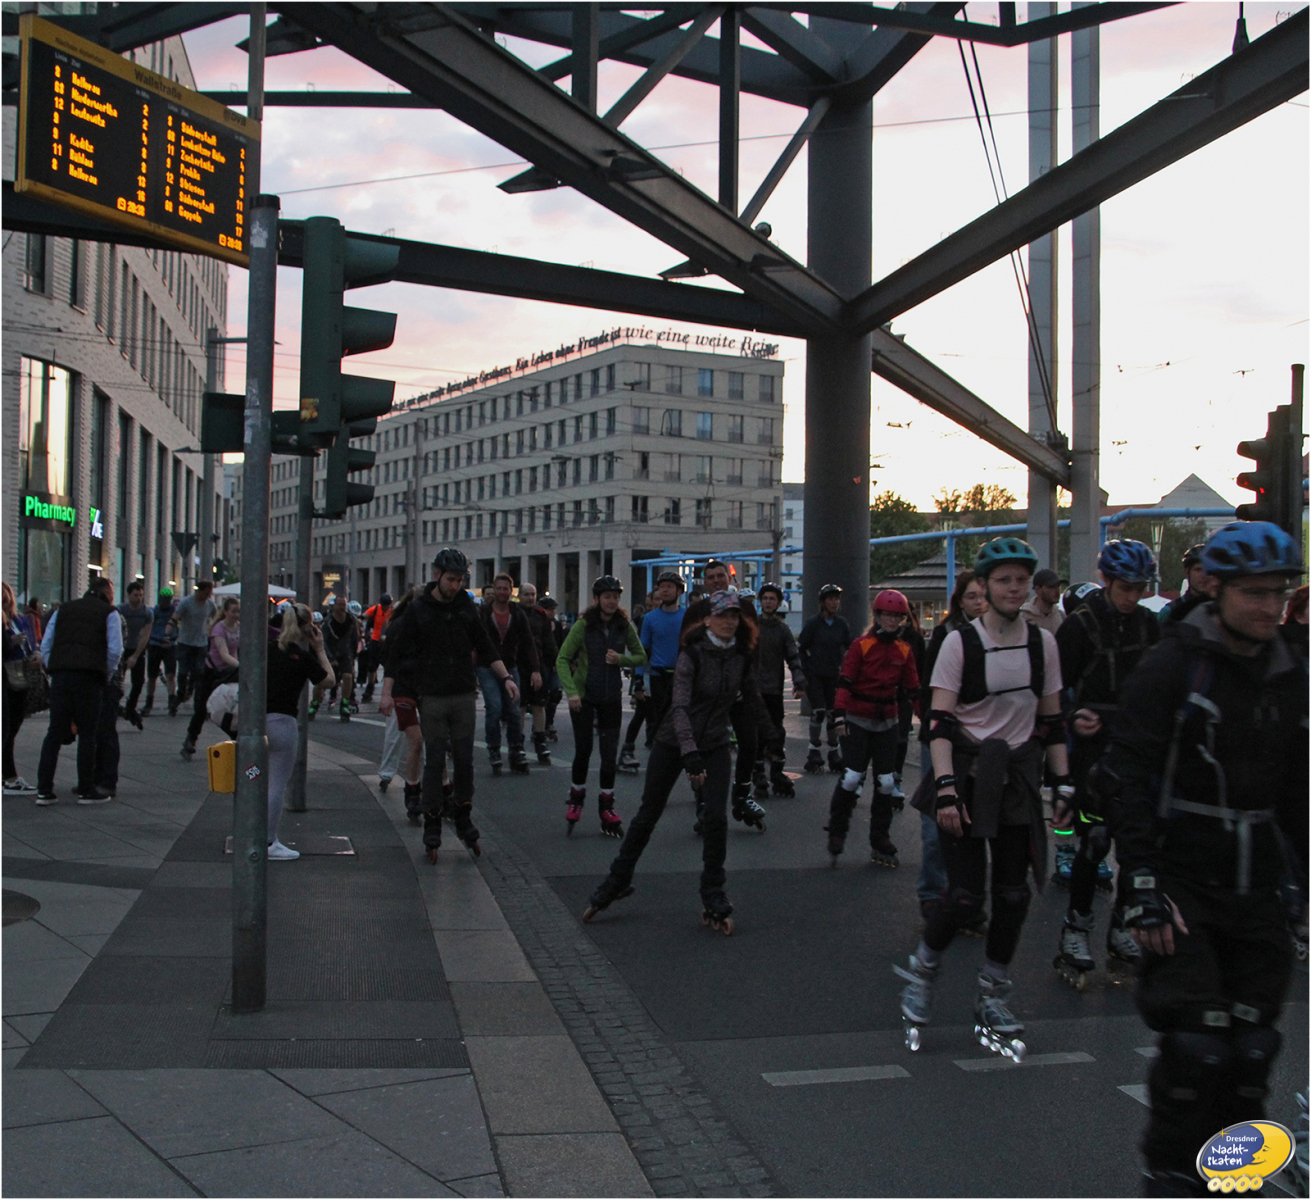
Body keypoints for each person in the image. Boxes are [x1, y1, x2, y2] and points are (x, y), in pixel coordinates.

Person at [1099, 521, 1307, 1197]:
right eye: (1255, 593)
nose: (1269, 607)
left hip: (1257, 885)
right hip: (1182, 879)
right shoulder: (1176, 663)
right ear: (1217, 590)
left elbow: (1297, 788)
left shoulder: (1290, 670)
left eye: (1279, 593)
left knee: (1251, 1052)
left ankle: (1232, 1178)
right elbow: (1125, 772)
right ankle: (1169, 1176)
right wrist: (1141, 882)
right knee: (1197, 1049)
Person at [895, 537, 1070, 1057]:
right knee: (966, 896)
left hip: (1016, 776)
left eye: (1021, 581)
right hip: (968, 774)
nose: (1014, 589)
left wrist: (1064, 782)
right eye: (1003, 581)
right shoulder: (959, 644)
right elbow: (938, 724)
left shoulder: (1043, 644)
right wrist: (946, 789)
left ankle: (993, 991)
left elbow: (1052, 722)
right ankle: (923, 971)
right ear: (985, 587)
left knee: (1013, 895)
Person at [582, 590, 768, 934]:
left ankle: (713, 893)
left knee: (716, 818)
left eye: (734, 616)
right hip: (673, 741)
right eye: (722, 616)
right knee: (648, 814)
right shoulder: (692, 654)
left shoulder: (740, 656)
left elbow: (750, 697)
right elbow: (679, 707)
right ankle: (617, 880)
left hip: (714, 742)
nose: (729, 622)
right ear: (708, 620)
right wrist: (689, 752)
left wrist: (769, 733)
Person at [1051, 539, 1161, 988]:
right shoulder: (1080, 626)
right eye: (1126, 588)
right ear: (1107, 581)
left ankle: (1121, 927)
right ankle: (1075, 929)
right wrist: (1073, 717)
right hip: (1094, 749)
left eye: (1139, 588)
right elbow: (1053, 689)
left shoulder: (1150, 625)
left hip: (1138, 744)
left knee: (1137, 842)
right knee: (1094, 841)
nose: (1133, 597)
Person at [380, 548, 519, 863]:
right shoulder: (418, 610)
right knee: (434, 759)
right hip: (432, 696)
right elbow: (395, 653)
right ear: (436, 575)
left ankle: (463, 816)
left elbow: (485, 645)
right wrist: (387, 693)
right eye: (451, 580)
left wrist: (507, 678)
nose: (456, 586)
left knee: (465, 760)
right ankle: (432, 822)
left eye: (460, 580)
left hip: (463, 694)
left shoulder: (466, 607)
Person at [826, 590, 920, 867]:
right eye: (887, 615)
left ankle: (880, 838)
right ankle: (837, 829)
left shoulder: (904, 650)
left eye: (897, 616)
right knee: (852, 777)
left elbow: (914, 688)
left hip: (887, 721)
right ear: (877, 616)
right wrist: (839, 716)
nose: (892, 620)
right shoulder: (862, 645)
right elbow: (845, 681)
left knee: (887, 782)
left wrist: (928, 720)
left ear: (903, 619)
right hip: (857, 719)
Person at [916, 573, 989, 922]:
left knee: (974, 826)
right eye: (971, 597)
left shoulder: (998, 635)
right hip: (943, 737)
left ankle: (965, 895)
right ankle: (932, 892)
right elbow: (929, 689)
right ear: (960, 601)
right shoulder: (947, 635)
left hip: (980, 743)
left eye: (983, 596)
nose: (979, 603)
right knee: (937, 823)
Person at [557, 575, 647, 837]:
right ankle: (576, 798)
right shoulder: (583, 626)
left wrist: (621, 660)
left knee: (609, 756)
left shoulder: (623, 625)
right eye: (607, 597)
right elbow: (562, 659)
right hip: (584, 696)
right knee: (584, 749)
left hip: (610, 697)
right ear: (596, 599)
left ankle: (607, 806)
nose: (611, 601)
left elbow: (641, 656)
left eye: (615, 597)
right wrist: (572, 693)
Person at [35, 578, 123, 805]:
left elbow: (46, 644)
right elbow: (115, 650)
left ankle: (44, 790)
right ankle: (86, 789)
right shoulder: (109, 613)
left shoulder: (62, 609)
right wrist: (105, 675)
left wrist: (53, 669)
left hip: (61, 676)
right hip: (89, 677)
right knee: (87, 733)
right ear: (106, 594)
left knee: (54, 732)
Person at [265, 603, 335, 859]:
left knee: (253, 777)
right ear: (306, 629)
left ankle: (248, 832)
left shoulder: (265, 649)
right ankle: (268, 841)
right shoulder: (301, 657)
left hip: (254, 726)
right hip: (283, 727)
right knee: (277, 784)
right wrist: (320, 648)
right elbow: (329, 680)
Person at [477, 574, 541, 775]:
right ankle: (494, 749)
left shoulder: (517, 613)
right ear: (494, 590)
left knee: (514, 709)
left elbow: (528, 642)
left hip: (510, 666)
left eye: (506, 589)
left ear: (510, 591)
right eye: (499, 588)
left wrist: (535, 670)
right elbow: (474, 641)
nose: (502, 592)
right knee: (494, 708)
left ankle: (516, 749)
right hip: (487, 667)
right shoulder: (484, 612)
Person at [376, 589, 426, 816]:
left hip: (420, 686)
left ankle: (396, 776)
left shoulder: (426, 624)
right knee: (397, 733)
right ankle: (388, 773)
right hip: (402, 686)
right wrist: (387, 691)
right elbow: (389, 658)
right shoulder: (400, 626)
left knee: (420, 739)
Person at [628, 570, 685, 768]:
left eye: (669, 587)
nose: (664, 591)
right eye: (661, 587)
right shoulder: (650, 618)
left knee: (681, 719)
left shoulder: (687, 616)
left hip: (681, 676)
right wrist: (638, 680)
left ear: (679, 591)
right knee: (657, 722)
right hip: (657, 675)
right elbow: (642, 651)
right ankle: (658, 763)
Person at [753, 583, 805, 798]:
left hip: (773, 689)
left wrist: (799, 681)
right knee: (757, 734)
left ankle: (776, 772)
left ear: (778, 603)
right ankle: (758, 774)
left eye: (772, 599)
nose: (768, 602)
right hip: (754, 690)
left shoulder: (782, 630)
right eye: (765, 598)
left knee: (776, 733)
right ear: (760, 601)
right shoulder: (753, 627)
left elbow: (793, 656)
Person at [798, 583, 852, 773]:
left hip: (833, 674)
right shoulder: (813, 624)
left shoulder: (841, 624)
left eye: (836, 599)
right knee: (819, 711)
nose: (834, 602)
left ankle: (833, 751)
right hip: (815, 674)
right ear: (823, 602)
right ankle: (814, 750)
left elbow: (850, 648)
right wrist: (804, 670)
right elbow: (801, 648)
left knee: (833, 714)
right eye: (830, 599)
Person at [181, 596, 239, 758]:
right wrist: (241, 665)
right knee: (202, 707)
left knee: (234, 705)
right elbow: (224, 654)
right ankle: (190, 739)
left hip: (231, 672)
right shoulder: (219, 629)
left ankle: (236, 739)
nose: (236, 615)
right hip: (212, 671)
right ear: (225, 611)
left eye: (238, 611)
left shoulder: (240, 627)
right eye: (233, 611)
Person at [3, 582, 39, 795]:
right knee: (7, 728)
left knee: (12, 727)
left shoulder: (18, 619)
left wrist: (34, 653)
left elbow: (31, 643)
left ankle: (8, 776)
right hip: (6, 676)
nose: (3, 601)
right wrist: (10, 642)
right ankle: (9, 777)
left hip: (20, 675)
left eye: (5, 596)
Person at [518, 582, 558, 765]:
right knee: (520, 705)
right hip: (519, 664)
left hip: (539, 664)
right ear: (519, 595)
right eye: (526, 594)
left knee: (539, 704)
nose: (530, 598)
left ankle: (540, 740)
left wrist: (555, 660)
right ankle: (518, 743)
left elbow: (548, 640)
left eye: (532, 594)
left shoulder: (540, 614)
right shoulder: (515, 612)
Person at [313, 595, 359, 723]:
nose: (342, 607)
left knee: (348, 677)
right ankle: (315, 703)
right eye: (339, 604)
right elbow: (324, 641)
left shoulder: (351, 620)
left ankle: (344, 703)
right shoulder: (328, 622)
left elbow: (354, 638)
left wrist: (353, 655)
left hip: (345, 654)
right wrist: (330, 658)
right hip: (330, 654)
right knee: (322, 681)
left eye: (344, 604)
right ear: (334, 606)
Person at [117, 581, 154, 729]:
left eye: (141, 595)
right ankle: (115, 706)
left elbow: (145, 635)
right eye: (135, 595)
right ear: (128, 595)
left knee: (138, 682)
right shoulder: (120, 610)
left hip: (137, 649)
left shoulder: (146, 613)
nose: (138, 598)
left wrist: (135, 656)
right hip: (121, 648)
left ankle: (130, 708)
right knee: (117, 681)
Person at [173, 580, 216, 704]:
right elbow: (176, 615)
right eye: (206, 593)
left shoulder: (210, 604)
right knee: (183, 670)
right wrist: (170, 628)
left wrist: (212, 629)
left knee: (198, 671)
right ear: (199, 591)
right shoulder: (186, 602)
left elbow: (215, 616)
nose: (207, 596)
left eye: (209, 594)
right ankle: (181, 692)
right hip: (185, 641)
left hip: (201, 642)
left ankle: (193, 693)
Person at [1158, 543, 1215, 628]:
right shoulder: (1170, 611)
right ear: (1187, 572)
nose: (1204, 575)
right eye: (1198, 570)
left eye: (1208, 570)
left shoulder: (1223, 609)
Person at [142, 586, 178, 716]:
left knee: (170, 675)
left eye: (167, 600)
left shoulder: (174, 611)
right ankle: (149, 702)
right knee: (152, 676)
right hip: (155, 644)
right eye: (164, 600)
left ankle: (171, 700)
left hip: (170, 645)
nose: (165, 602)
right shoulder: (154, 611)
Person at [538, 596, 565, 741]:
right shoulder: (537, 623)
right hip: (541, 663)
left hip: (554, 664)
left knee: (556, 692)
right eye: (549, 610)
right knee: (542, 696)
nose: (552, 613)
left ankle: (549, 722)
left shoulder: (557, 625)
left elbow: (561, 643)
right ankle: (539, 726)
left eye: (553, 610)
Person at [360, 593, 393, 702]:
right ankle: (370, 688)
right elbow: (364, 616)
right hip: (375, 640)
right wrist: (359, 618)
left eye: (387, 605)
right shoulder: (375, 609)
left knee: (388, 665)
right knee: (371, 666)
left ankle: (389, 689)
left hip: (387, 641)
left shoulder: (393, 611)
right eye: (384, 605)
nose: (386, 607)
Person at [1021, 567, 1065, 634]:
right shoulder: (1023, 616)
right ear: (1037, 589)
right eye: (1051, 587)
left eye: (1058, 586)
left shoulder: (1061, 616)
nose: (1057, 591)